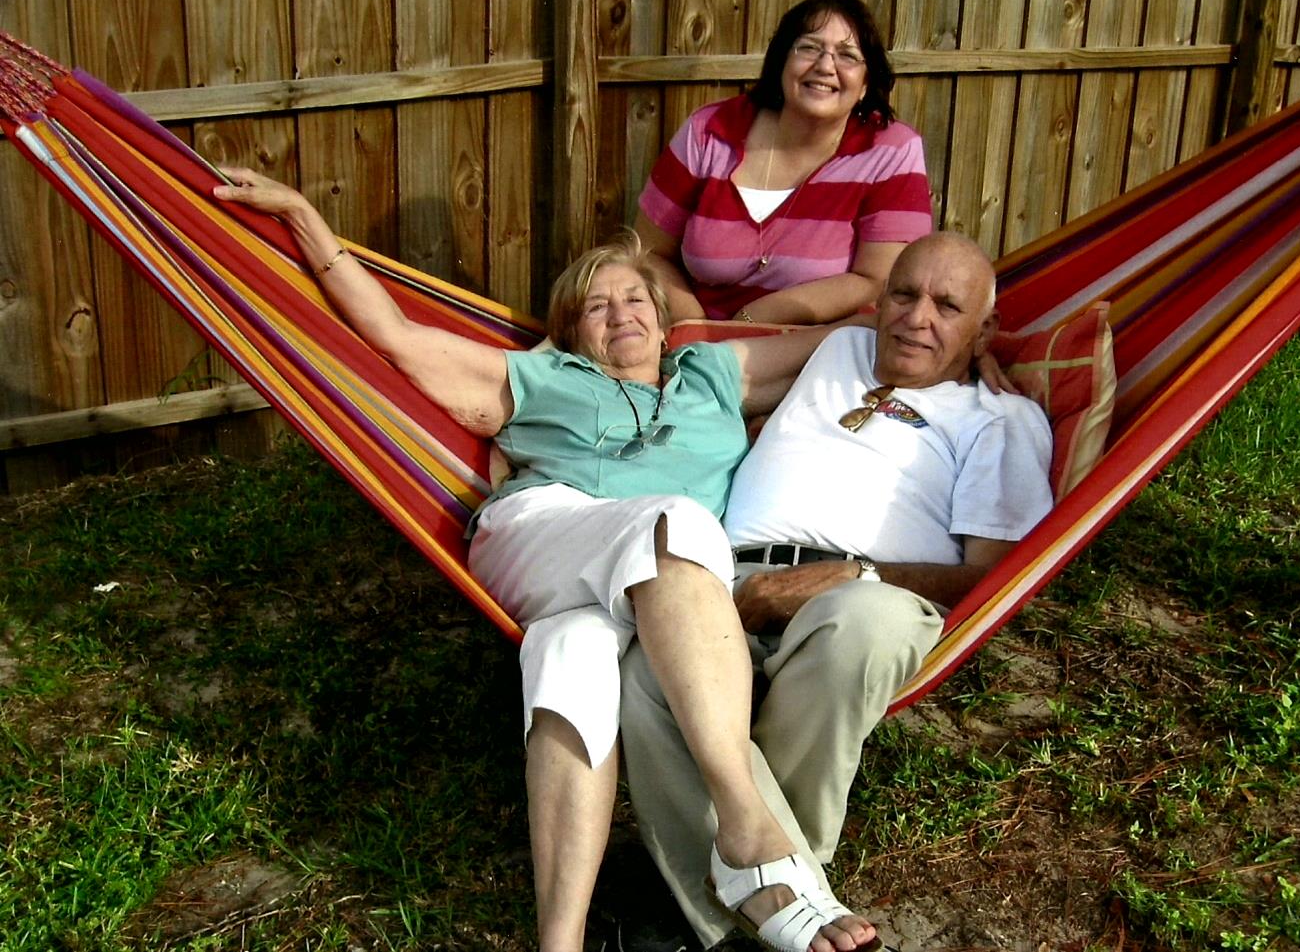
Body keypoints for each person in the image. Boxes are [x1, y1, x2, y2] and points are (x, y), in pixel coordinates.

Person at [212, 169, 878, 952]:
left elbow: (856, 346)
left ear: (665, 317)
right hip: (546, 532)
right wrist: (303, 217)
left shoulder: (713, 375)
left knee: (573, 660)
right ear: (569, 332)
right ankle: (746, 829)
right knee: (676, 520)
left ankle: (556, 941)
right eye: (597, 306)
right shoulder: (536, 377)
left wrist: (978, 345)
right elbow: (391, 334)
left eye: (635, 299)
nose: (620, 314)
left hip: (651, 587)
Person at [618, 232, 1056, 950]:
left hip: (867, 590)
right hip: (725, 572)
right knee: (645, 669)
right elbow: (703, 377)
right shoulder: (836, 350)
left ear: (986, 332)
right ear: (878, 301)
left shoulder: (999, 419)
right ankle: (789, 909)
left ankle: (736, 906)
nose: (918, 317)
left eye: (948, 307)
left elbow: (995, 577)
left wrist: (856, 573)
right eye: (904, 294)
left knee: (864, 629)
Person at [636, 0, 933, 325]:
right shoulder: (709, 132)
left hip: (825, 344)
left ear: (866, 83)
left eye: (847, 55)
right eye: (809, 48)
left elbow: (881, 281)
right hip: (697, 338)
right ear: (781, 62)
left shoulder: (892, 151)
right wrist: (701, 334)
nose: (825, 66)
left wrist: (752, 321)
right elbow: (649, 252)